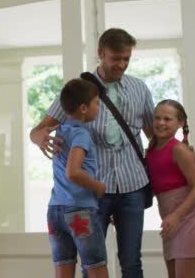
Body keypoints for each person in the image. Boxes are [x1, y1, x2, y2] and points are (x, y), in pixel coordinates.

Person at [31, 28, 154, 278]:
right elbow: (39, 129)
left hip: (133, 186)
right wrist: (39, 138)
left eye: (126, 59)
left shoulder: (140, 89)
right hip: (94, 192)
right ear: (100, 53)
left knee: (132, 262)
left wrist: (180, 150)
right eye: (115, 58)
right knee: (93, 262)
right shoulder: (79, 91)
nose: (121, 64)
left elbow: (154, 136)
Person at [145, 100, 195, 278]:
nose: (161, 123)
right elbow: (155, 188)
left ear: (180, 123)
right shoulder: (150, 151)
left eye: (167, 119)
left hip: (189, 220)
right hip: (171, 222)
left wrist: (176, 216)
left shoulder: (179, 150)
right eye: (157, 118)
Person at [47, 78, 108, 278]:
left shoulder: (60, 131)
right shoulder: (81, 134)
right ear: (83, 108)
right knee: (96, 269)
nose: (98, 107)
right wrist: (98, 187)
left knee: (63, 270)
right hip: (79, 210)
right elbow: (73, 171)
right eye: (97, 103)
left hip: (55, 210)